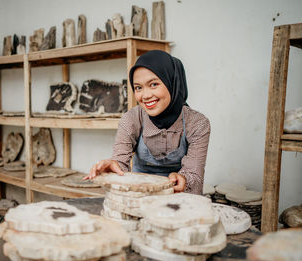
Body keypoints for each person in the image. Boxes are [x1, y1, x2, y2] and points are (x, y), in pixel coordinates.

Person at [85, 50, 210, 195]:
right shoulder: (131, 119)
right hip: (140, 196)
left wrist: (184, 179)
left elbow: (194, 174)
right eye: (138, 87)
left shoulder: (197, 123)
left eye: (154, 84)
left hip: (180, 199)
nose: (145, 95)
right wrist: (113, 166)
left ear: (172, 82)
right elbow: (120, 163)